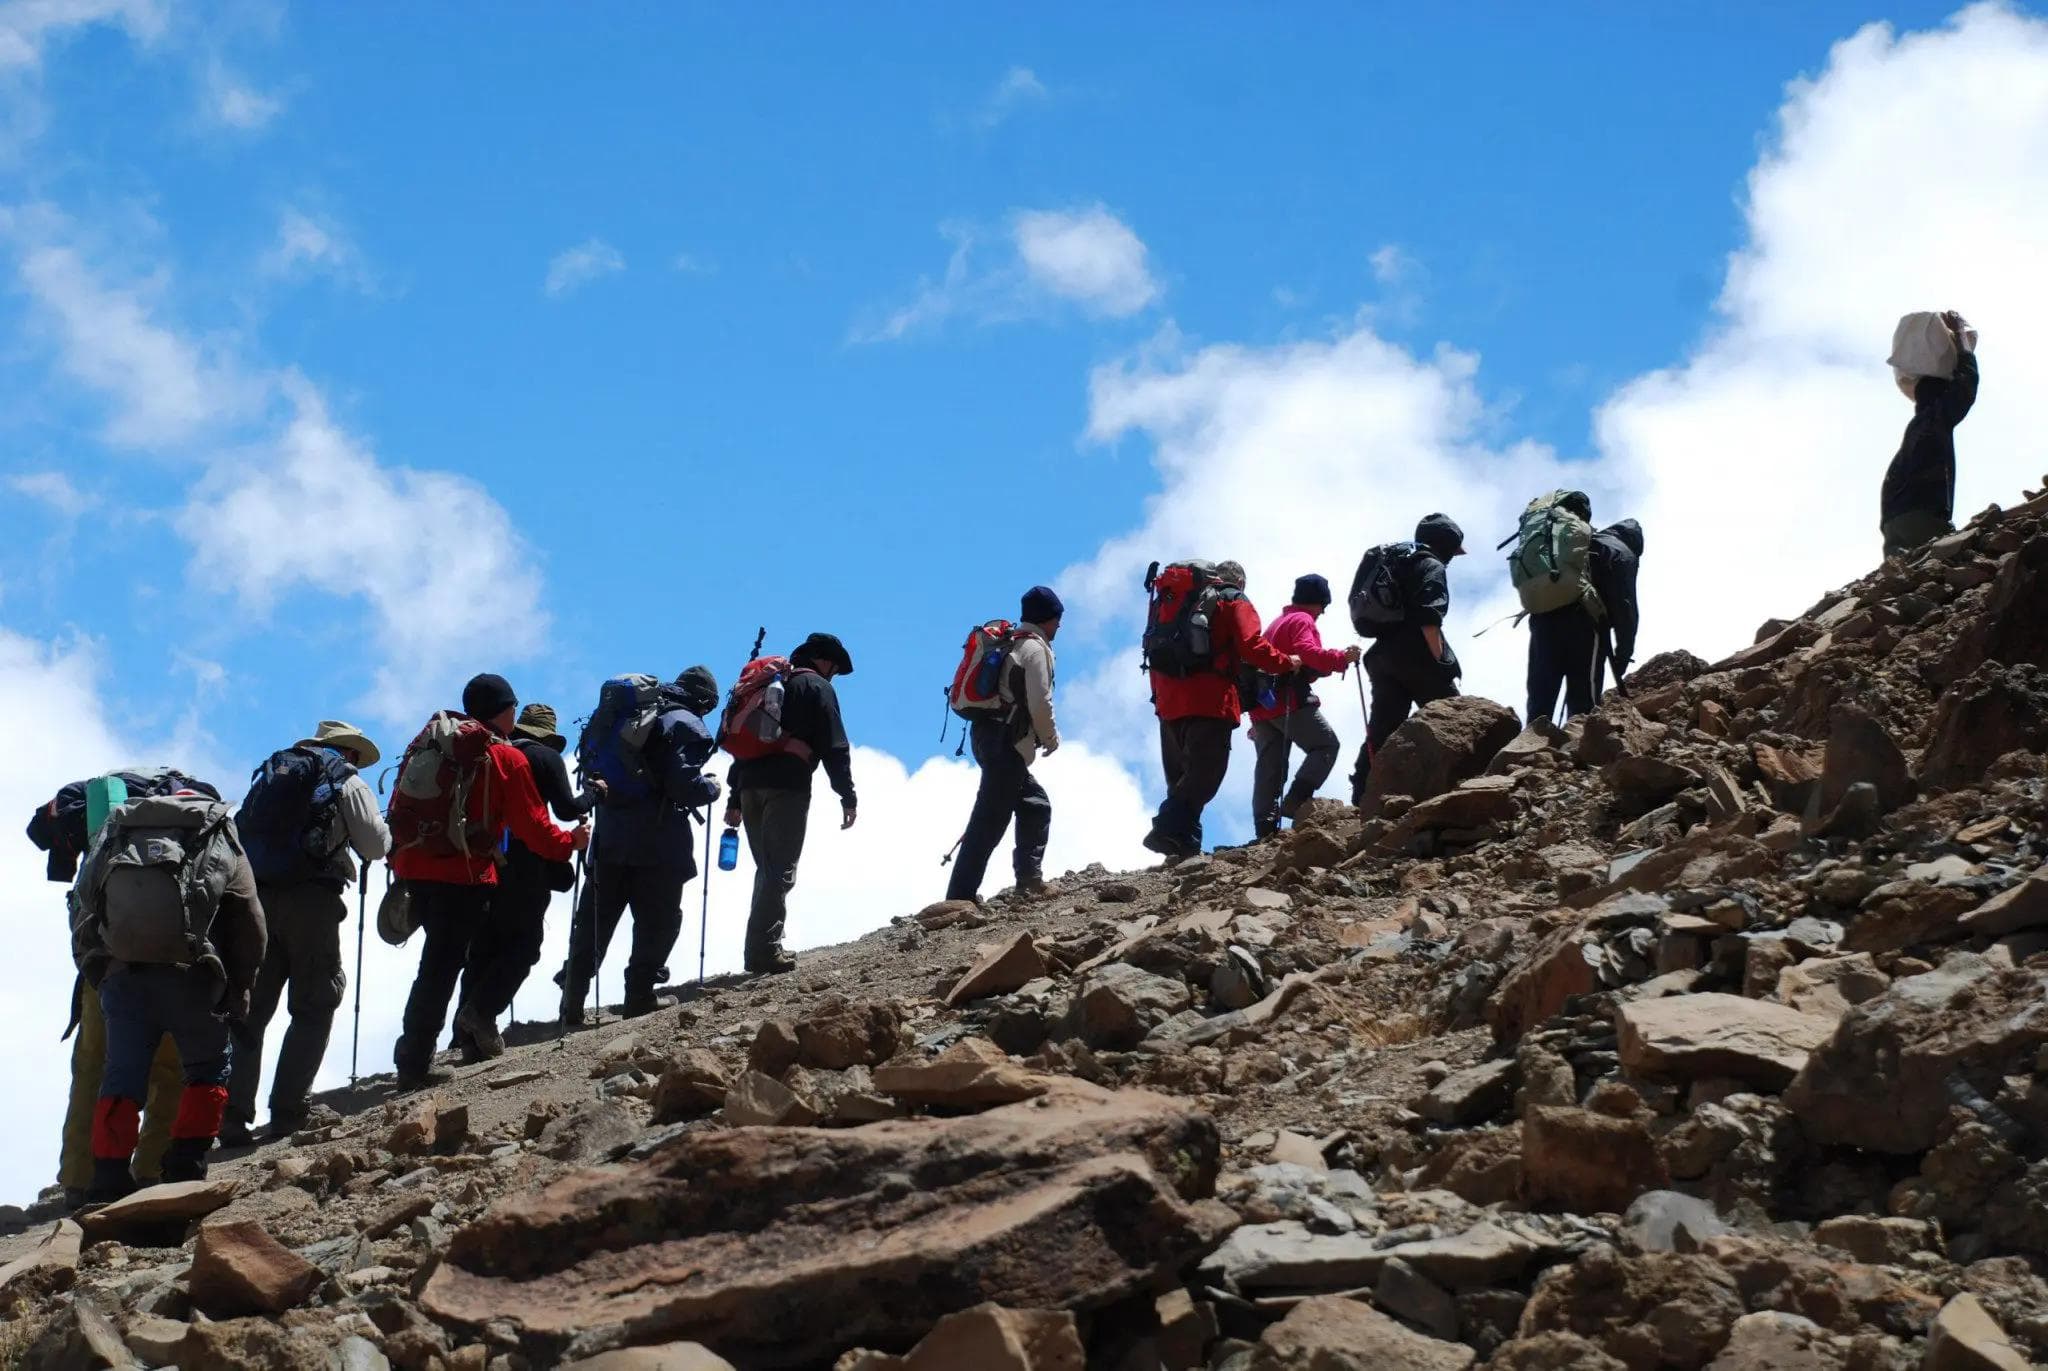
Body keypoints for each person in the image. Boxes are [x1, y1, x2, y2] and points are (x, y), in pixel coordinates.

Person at [29, 768, 217, 1206]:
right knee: (170, 1070)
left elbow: (81, 906)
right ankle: (150, 1171)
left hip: (108, 967)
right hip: (179, 964)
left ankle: (81, 1178)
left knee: (94, 1067)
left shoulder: (106, 826)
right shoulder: (198, 819)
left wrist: (92, 967)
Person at [390, 673, 588, 1088]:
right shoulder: (504, 758)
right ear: (507, 709)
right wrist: (570, 842)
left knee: (439, 964)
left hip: (417, 870)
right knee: (443, 966)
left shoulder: (432, 742)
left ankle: (421, 1052)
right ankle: (416, 1064)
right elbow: (535, 829)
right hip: (463, 875)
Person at [70, 786, 266, 1201]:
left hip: (123, 979)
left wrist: (99, 972)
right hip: (193, 976)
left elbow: (83, 905)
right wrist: (240, 986)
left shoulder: (118, 832)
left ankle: (107, 1179)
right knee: (208, 1070)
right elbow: (249, 918)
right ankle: (186, 1168)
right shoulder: (217, 832)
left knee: (121, 1077)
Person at [222, 721, 390, 1146]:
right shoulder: (344, 779)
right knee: (315, 1002)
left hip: (256, 898)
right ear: (348, 752)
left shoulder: (276, 773)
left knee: (250, 1010)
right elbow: (374, 845)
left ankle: (229, 1116)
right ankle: (289, 1110)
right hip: (311, 902)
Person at [556, 669, 722, 1025]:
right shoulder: (683, 721)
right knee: (658, 922)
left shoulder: (624, 717)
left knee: (595, 921)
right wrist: (710, 788)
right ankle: (640, 995)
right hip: (659, 843)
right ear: (704, 699)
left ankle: (572, 998)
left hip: (610, 837)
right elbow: (683, 784)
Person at [450, 703, 601, 1050]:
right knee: (523, 945)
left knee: (484, 948)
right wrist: (595, 793)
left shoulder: (490, 753)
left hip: (479, 864)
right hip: (523, 866)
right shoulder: (544, 758)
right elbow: (567, 809)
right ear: (548, 735)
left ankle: (463, 1037)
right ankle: (481, 1012)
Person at [721, 634, 857, 976]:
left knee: (767, 869)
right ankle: (763, 952)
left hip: (750, 786)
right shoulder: (816, 687)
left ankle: (762, 946)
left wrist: (734, 798)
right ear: (825, 660)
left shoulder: (771, 686)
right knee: (779, 870)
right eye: (835, 667)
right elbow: (835, 744)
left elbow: (745, 747)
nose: (835, 675)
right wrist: (847, 794)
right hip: (787, 787)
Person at [1143, 561, 1299, 858]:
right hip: (1211, 699)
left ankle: (1184, 848)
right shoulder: (1232, 600)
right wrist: (1285, 662)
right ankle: (1165, 829)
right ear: (1240, 582)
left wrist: (1159, 701)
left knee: (1182, 778)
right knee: (1205, 774)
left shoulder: (1174, 601)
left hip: (1168, 701)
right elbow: (1251, 645)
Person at [944, 586, 1062, 903]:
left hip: (986, 736)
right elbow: (1040, 701)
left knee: (1034, 805)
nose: (1059, 626)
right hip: (1006, 742)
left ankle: (1029, 879)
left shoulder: (1012, 641)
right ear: (1048, 619)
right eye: (1057, 619)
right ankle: (960, 897)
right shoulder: (1035, 650)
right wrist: (1050, 737)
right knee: (988, 822)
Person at [1350, 515, 1466, 803]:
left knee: (1383, 726)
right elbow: (1429, 618)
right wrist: (1440, 662)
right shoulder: (1432, 565)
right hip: (1416, 654)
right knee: (1454, 718)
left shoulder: (1397, 561)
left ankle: (1362, 792)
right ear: (1447, 546)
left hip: (1382, 656)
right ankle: (1466, 783)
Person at [1248, 574, 1359, 838]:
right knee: (1326, 745)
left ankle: (1265, 831)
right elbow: (1307, 652)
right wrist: (1341, 658)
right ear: (1318, 602)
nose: (1323, 612)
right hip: (1289, 701)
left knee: (1269, 769)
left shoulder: (1277, 623)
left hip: (1261, 707)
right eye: (1323, 606)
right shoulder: (1302, 620)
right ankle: (1297, 798)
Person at [1881, 309, 1979, 558]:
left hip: (1893, 520)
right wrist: (1961, 341)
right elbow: (1965, 387)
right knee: (1958, 563)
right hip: (1920, 515)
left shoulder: (1918, 427)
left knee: (1906, 582)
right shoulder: (1935, 419)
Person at [1523, 492, 1602, 726]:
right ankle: (1579, 749)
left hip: (1542, 617)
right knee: (1582, 695)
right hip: (1581, 618)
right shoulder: (1589, 537)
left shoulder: (1540, 537)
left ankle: (1530, 748)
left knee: (1541, 690)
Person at [1589, 520, 1644, 700]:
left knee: (1544, 688)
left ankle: (1536, 725)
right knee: (1585, 689)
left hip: (1548, 616)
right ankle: (1582, 724)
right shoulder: (1624, 553)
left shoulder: (1589, 540)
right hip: (1590, 621)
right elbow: (1626, 605)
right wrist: (1624, 654)